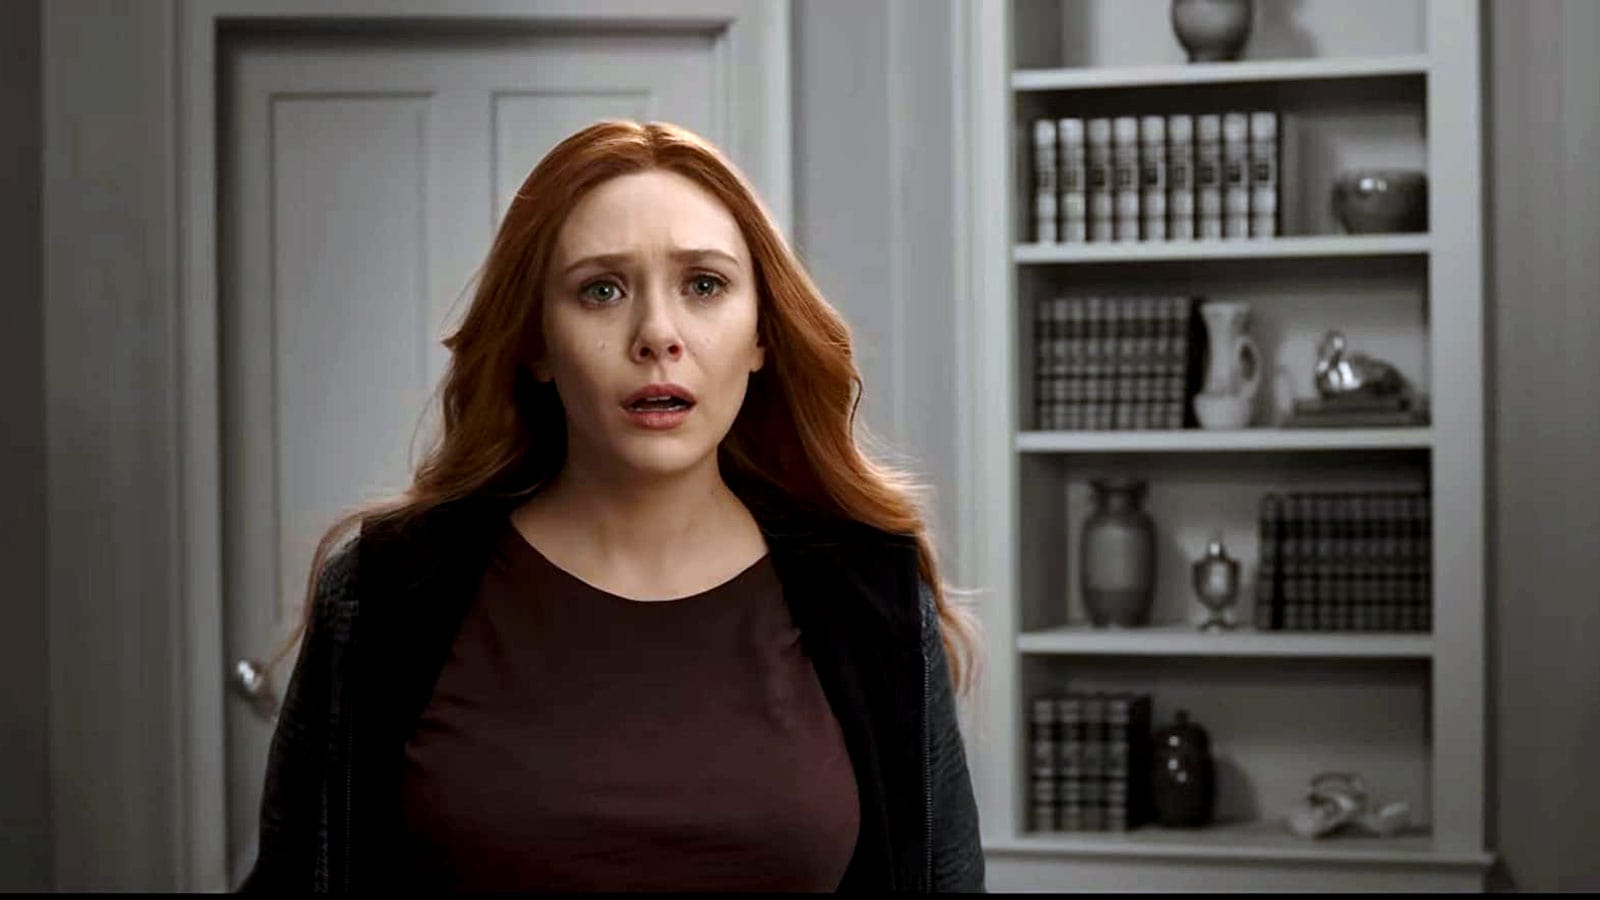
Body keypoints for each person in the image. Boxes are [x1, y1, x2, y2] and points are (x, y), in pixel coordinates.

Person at [240, 119, 986, 893]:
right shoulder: (387, 592)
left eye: (704, 285)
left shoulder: (871, 595)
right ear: (536, 343)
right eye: (601, 290)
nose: (657, 335)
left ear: (761, 335)